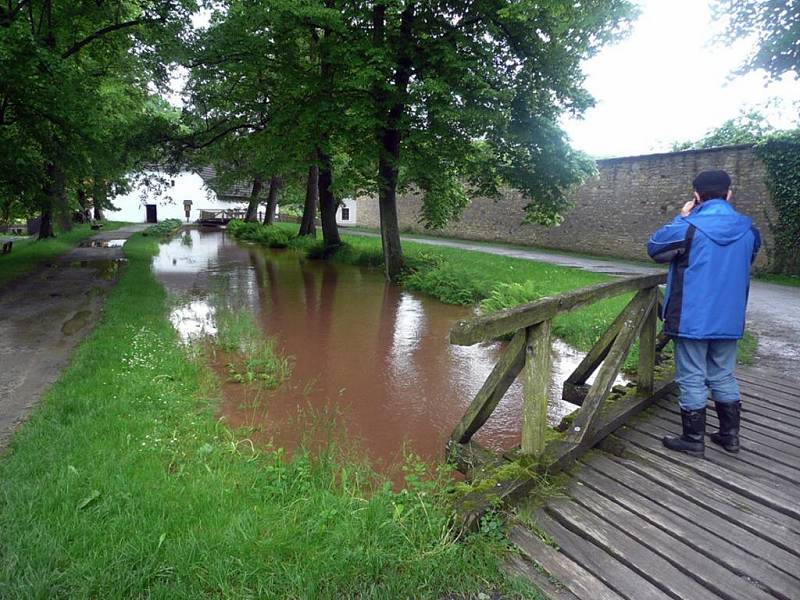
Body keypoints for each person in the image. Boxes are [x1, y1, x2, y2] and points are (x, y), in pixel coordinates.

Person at [646, 170, 760, 457]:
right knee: (723, 374)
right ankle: (729, 436)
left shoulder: (689, 226)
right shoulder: (750, 230)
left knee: (692, 376)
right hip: (729, 318)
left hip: (692, 317)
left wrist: (682, 217)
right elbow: (749, 255)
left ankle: (693, 439)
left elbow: (655, 247)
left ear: (696, 196)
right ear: (729, 194)